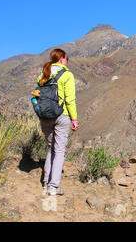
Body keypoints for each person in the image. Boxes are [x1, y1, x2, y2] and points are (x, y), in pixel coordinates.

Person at [37, 48, 79, 196]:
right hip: (62, 116)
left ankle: (46, 183)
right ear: (61, 59)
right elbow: (70, 99)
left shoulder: (43, 74)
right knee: (59, 150)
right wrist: (74, 119)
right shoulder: (66, 75)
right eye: (67, 59)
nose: (67, 62)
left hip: (45, 116)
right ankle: (53, 186)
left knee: (50, 148)